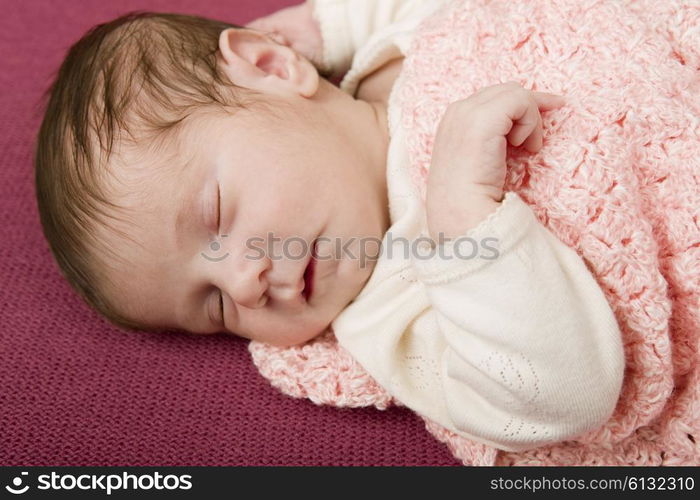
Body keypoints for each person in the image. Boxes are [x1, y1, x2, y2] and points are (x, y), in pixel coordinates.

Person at [34, 0, 625, 451]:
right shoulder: (389, 312)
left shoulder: (400, 47)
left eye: (217, 216)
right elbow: (556, 402)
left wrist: (326, 26)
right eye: (214, 307)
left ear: (272, 66)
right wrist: (464, 222)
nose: (245, 285)